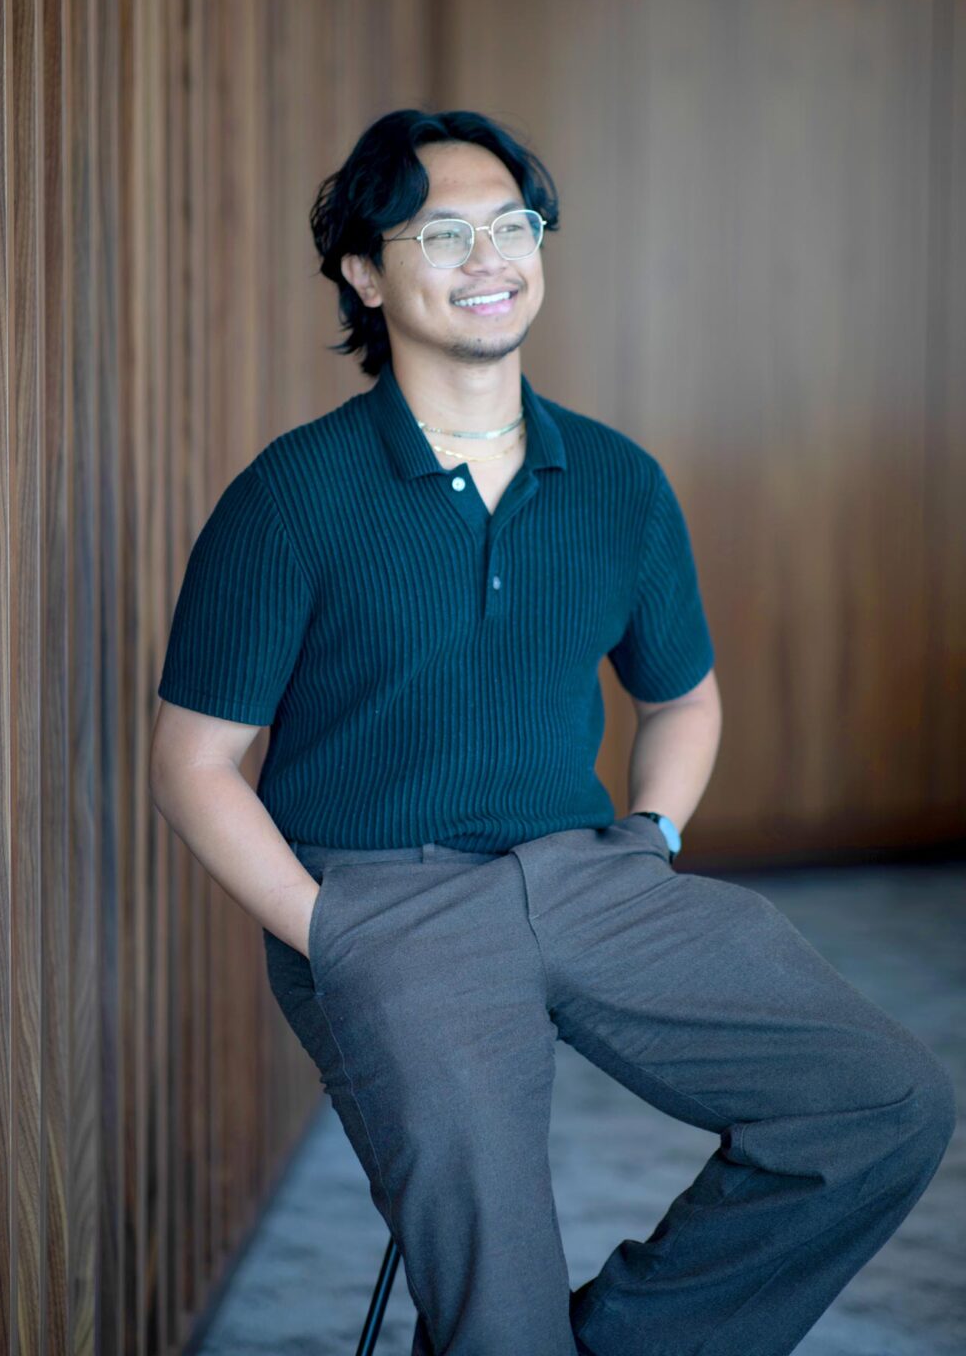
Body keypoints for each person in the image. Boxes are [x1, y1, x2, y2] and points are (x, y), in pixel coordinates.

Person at [148, 108, 955, 1356]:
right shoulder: (292, 496)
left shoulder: (620, 481)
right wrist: (329, 929)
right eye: (443, 231)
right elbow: (193, 765)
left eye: (514, 224)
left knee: (884, 1101)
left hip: (592, 873)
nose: (491, 256)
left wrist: (652, 834)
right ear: (365, 273)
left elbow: (681, 696)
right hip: (381, 900)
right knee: (497, 1308)